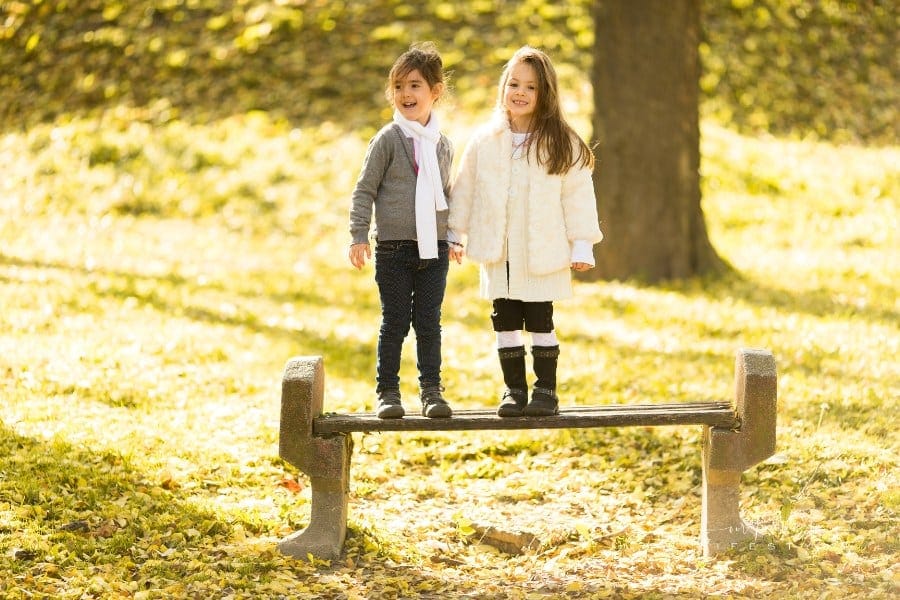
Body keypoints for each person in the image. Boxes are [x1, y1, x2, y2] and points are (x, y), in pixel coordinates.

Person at [449, 46, 603, 417]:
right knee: (504, 323)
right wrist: (455, 233)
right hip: (499, 254)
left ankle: (545, 391)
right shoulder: (485, 142)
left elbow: (578, 196)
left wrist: (581, 245)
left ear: (545, 94)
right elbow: (465, 189)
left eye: (530, 87)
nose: (519, 92)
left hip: (541, 254)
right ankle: (513, 391)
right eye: (513, 83)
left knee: (539, 322)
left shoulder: (561, 143)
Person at [349, 43, 463, 419]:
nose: (405, 94)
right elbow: (365, 189)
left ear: (435, 91)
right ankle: (388, 392)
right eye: (398, 86)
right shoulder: (387, 140)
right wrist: (358, 235)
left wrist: (455, 237)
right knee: (394, 322)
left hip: (434, 250)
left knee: (429, 322)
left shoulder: (442, 145)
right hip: (394, 249)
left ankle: (432, 391)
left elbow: (448, 195)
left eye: (414, 85)